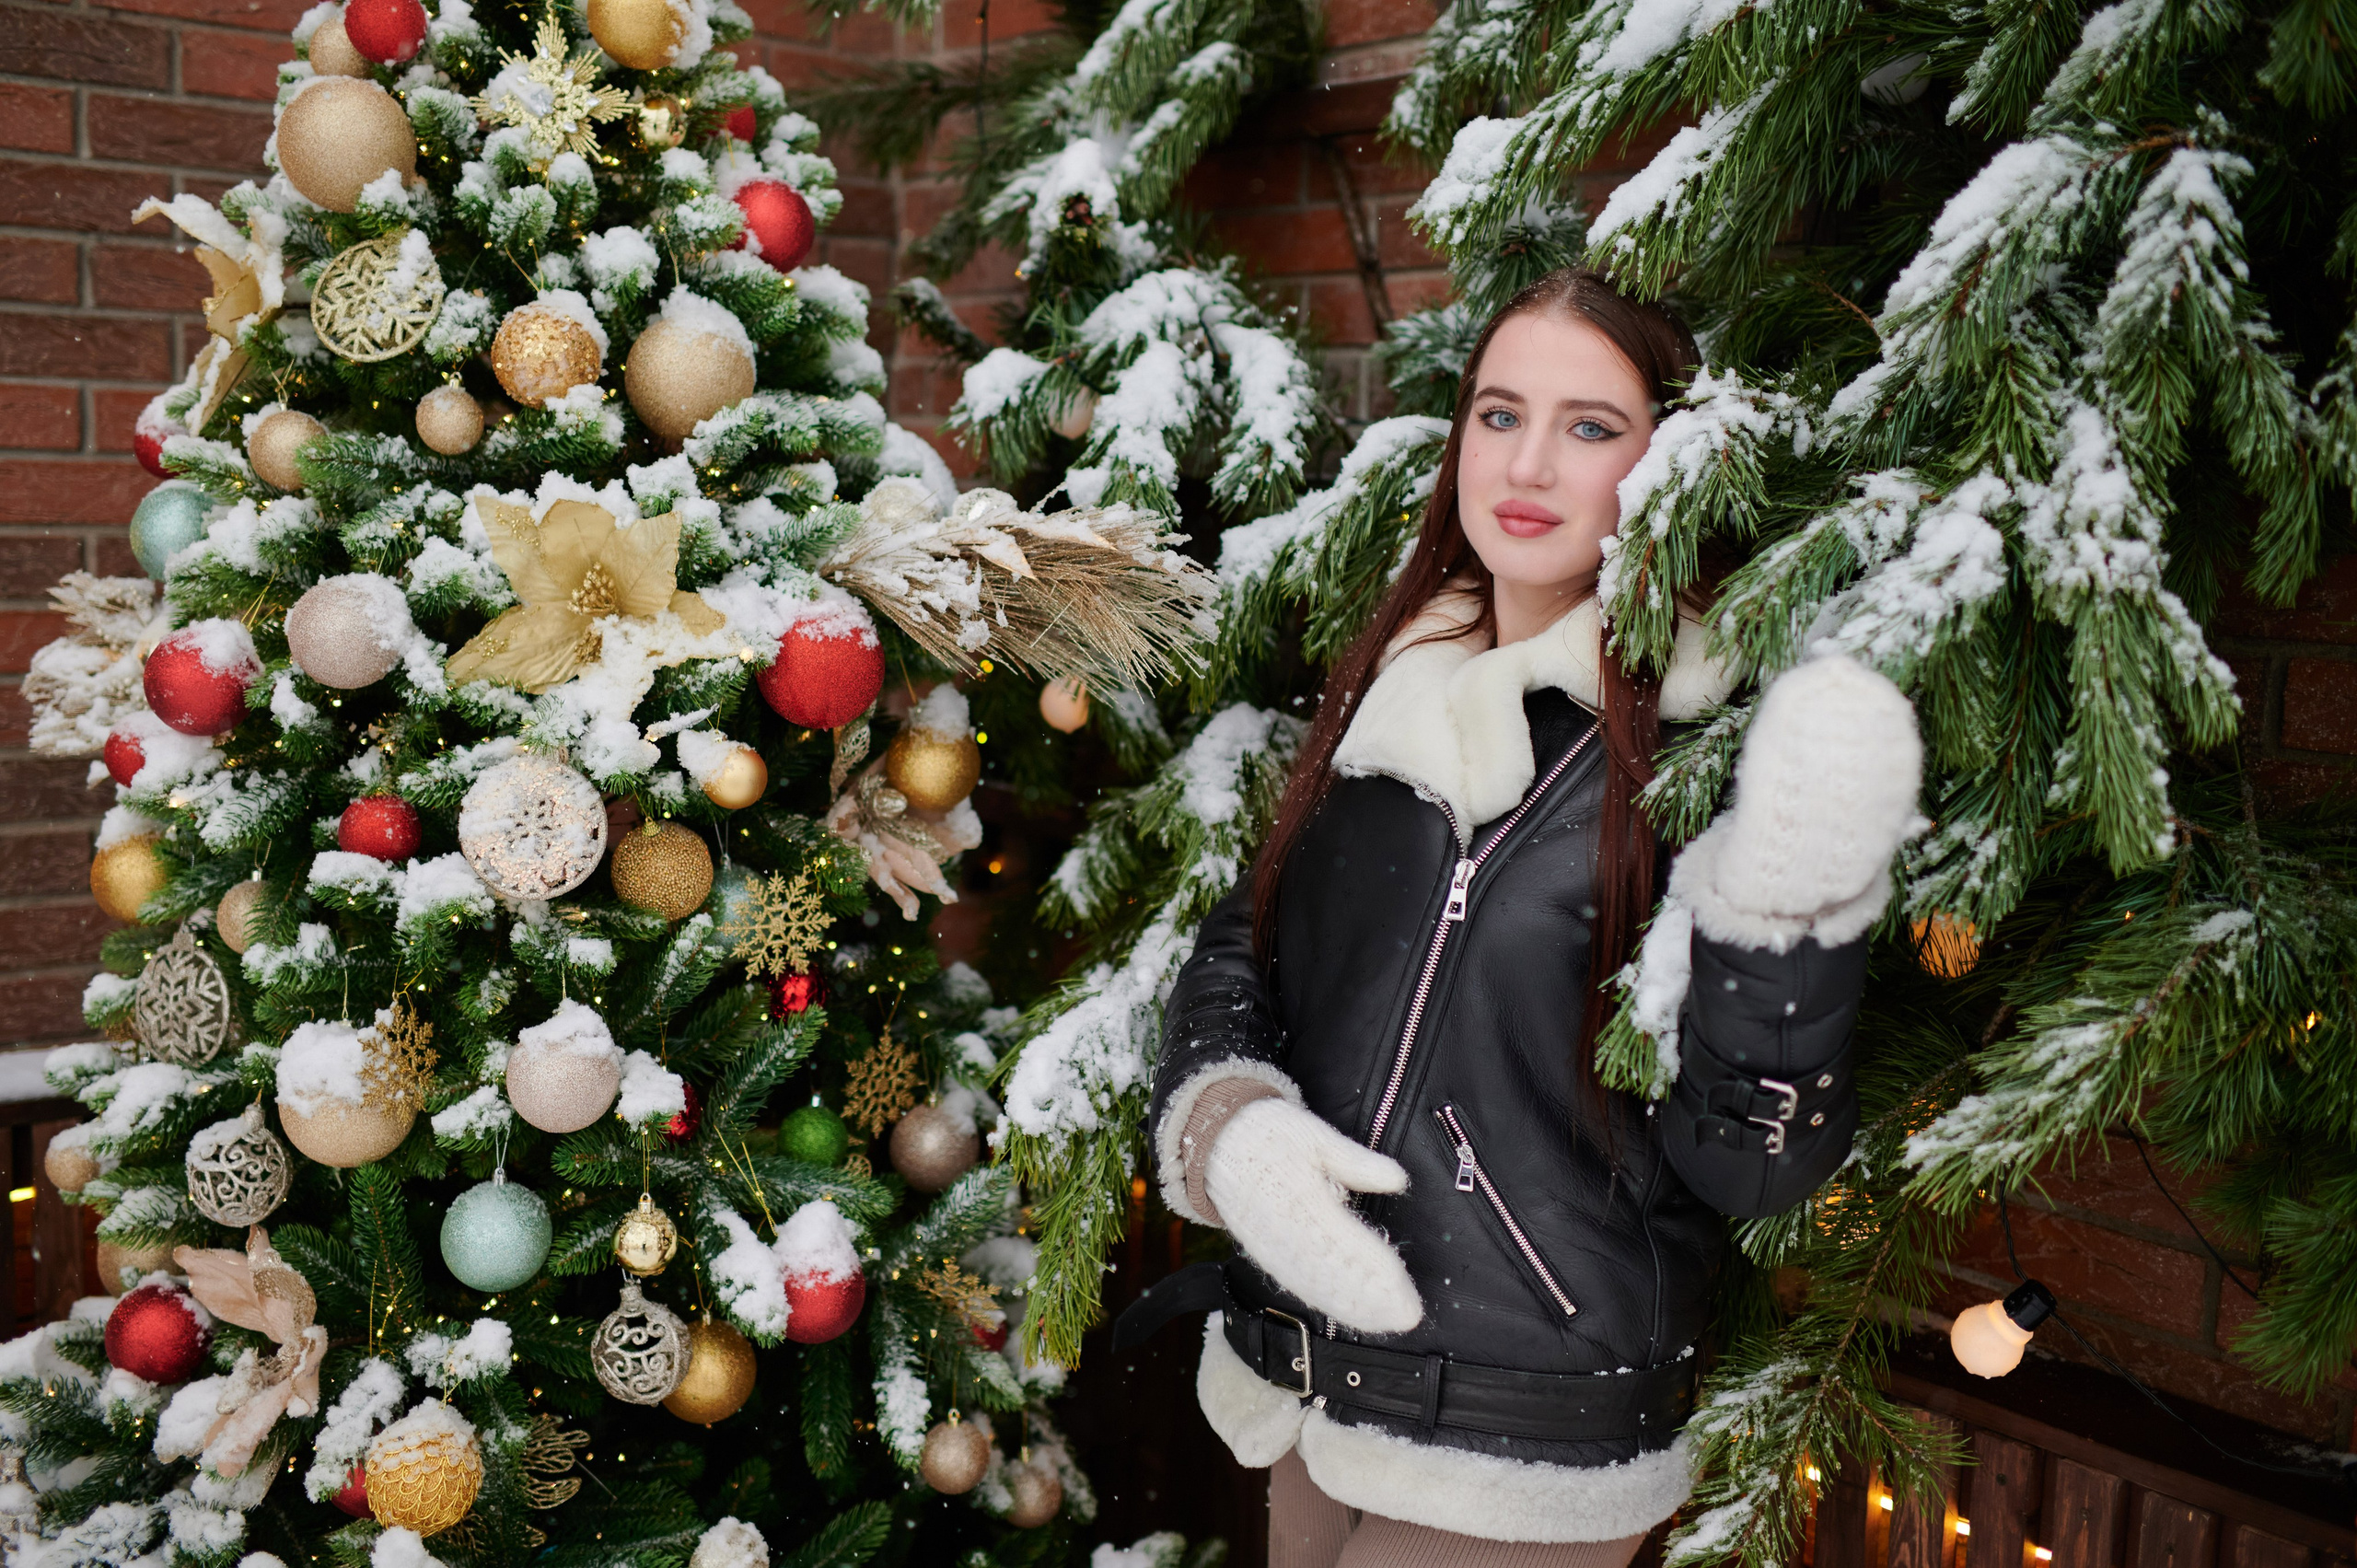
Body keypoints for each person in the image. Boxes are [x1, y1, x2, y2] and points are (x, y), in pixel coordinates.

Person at [1127, 269, 1923, 1565]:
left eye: (1591, 426)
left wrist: (1790, 919)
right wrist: (1231, 1127)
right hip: (1305, 1386)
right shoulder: (1398, 690)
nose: (1530, 461)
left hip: (1521, 1434)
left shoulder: (1703, 746)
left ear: (1668, 463)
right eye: (1499, 415)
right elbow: (1242, 949)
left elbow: (1758, 1170)